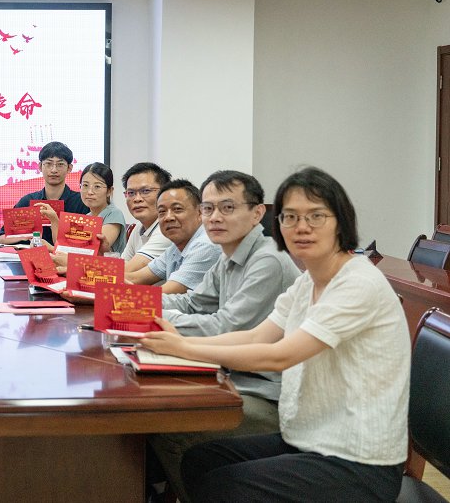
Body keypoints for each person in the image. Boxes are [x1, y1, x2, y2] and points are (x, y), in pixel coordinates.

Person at [141, 167, 410, 503]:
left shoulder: (357, 283)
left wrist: (183, 347)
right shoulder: (308, 280)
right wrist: (182, 343)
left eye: (316, 216)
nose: (301, 227)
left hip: (357, 458)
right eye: (290, 217)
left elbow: (280, 355)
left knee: (225, 485)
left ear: (341, 222)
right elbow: (256, 337)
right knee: (200, 461)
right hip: (308, 437)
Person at [148, 170, 301, 503]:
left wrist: (154, 318)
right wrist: (134, 302)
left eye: (227, 208)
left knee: (169, 428)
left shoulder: (267, 260)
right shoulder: (228, 255)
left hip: (268, 394)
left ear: (257, 213)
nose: (214, 217)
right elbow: (193, 303)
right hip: (234, 376)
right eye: (208, 208)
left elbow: (225, 328)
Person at [125, 179, 220, 294]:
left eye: (177, 209)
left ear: (200, 212)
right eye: (162, 211)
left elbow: (165, 292)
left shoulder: (205, 245)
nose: (168, 217)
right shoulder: (176, 247)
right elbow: (135, 278)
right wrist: (106, 279)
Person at [0, 141, 89, 245]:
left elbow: (88, 244)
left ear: (69, 168)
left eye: (60, 164)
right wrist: (25, 234)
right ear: (40, 166)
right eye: (48, 164)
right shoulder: (27, 201)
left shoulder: (81, 202)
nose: (54, 170)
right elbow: (1, 239)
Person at [44, 162, 127, 261]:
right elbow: (64, 244)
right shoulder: (88, 216)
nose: (90, 192)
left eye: (97, 187)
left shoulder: (114, 214)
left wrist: (51, 248)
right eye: (85, 185)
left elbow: (93, 250)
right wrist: (53, 219)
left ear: (109, 191)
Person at [120, 162, 174, 273]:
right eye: (131, 193)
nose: (137, 199)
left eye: (145, 191)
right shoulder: (139, 227)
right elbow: (123, 264)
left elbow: (125, 271)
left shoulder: (168, 229)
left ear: (164, 193)